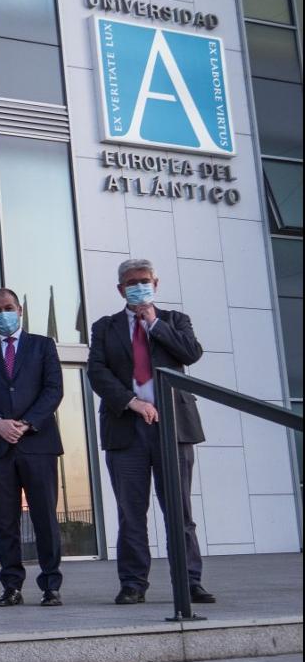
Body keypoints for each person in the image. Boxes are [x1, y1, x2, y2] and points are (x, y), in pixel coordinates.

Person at [87, 259, 215, 605]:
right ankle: (133, 583)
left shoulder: (175, 320)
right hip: (126, 428)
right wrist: (132, 402)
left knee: (180, 511)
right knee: (131, 512)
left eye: (144, 281)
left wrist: (153, 323)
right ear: (120, 289)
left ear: (155, 284)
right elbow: (97, 372)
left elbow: (191, 352)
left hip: (173, 428)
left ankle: (189, 582)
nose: (138, 286)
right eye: (131, 283)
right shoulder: (105, 327)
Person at [0, 288, 65, 607]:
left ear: (19, 310)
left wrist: (25, 423)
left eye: (8, 308)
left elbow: (53, 390)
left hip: (38, 444)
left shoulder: (43, 345)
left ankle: (51, 585)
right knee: (5, 521)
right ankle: (12, 585)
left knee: (45, 518)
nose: (3, 314)